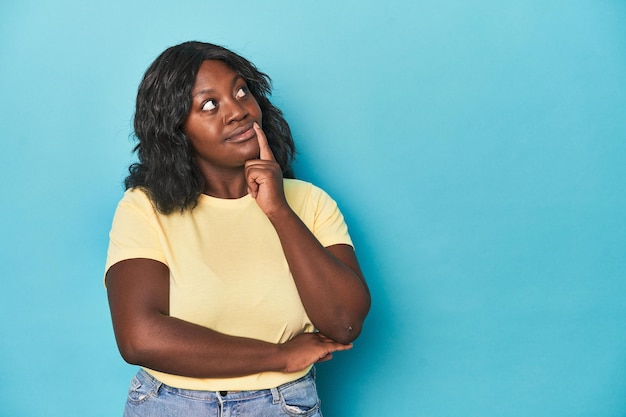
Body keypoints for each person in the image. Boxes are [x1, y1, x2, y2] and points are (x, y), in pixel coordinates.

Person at [105, 41, 370, 417]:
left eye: (241, 91)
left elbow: (343, 323)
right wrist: (278, 355)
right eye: (209, 105)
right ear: (176, 128)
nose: (238, 112)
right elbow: (140, 338)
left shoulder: (309, 203)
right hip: (171, 405)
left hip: (283, 405)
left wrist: (279, 211)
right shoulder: (144, 209)